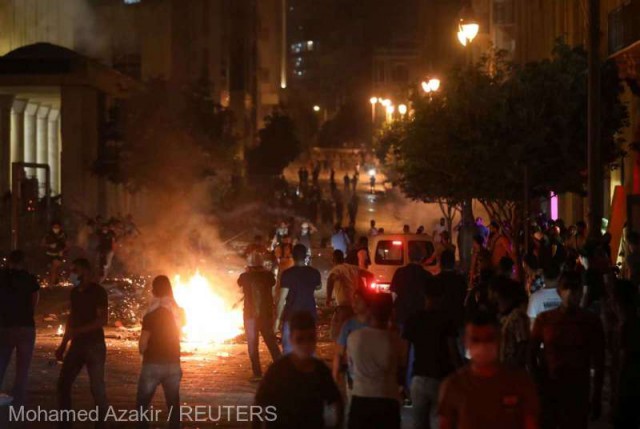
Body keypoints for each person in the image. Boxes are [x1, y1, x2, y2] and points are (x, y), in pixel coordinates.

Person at [529, 271, 604, 429]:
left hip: (578, 393)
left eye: (574, 288)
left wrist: (596, 396)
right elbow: (530, 355)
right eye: (566, 287)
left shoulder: (591, 321)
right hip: (551, 390)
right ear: (558, 291)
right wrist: (539, 383)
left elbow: (599, 362)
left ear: (580, 291)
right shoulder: (545, 320)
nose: (570, 293)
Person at [438, 312, 539, 429]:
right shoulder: (453, 386)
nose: (482, 345)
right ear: (466, 342)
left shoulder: (520, 383)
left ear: (500, 340)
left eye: (489, 339)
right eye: (476, 339)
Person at [255, 311, 343, 429]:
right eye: (300, 339)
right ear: (291, 339)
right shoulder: (277, 371)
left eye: (310, 338)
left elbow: (336, 401)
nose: (306, 344)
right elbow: (259, 404)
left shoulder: (320, 371)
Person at [56, 258, 108, 429]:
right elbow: (71, 319)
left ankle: (102, 424)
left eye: (75, 270)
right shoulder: (74, 292)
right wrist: (63, 344)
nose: (72, 274)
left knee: (97, 388)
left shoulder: (98, 292)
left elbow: (102, 320)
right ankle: (65, 424)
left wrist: (79, 331)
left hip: (94, 345)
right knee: (63, 384)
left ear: (85, 271)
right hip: (77, 346)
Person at [403, 278, 462, 429]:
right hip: (441, 379)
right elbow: (452, 351)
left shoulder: (414, 319)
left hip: (419, 377)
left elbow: (405, 352)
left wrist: (403, 378)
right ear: (442, 296)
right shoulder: (446, 319)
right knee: (440, 423)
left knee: (418, 423)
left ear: (424, 295)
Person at [347, 294, 403, 429]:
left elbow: (351, 367)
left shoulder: (355, 337)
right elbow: (401, 369)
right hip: (388, 398)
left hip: (361, 397)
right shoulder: (396, 340)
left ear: (370, 311)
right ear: (391, 313)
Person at [136, 276, 185, 429]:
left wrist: (143, 352)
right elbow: (182, 325)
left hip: (153, 364)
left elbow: (143, 343)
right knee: (173, 406)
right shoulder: (178, 312)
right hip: (173, 364)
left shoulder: (151, 313)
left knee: (142, 404)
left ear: (155, 290)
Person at [0, 250, 40, 406]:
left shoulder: (2, 277)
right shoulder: (29, 279)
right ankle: (18, 405)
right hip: (25, 327)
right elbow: (34, 302)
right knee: (22, 370)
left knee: (1, 363)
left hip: (5, 327)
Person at [238, 253, 282, 380]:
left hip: (250, 315)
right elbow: (273, 283)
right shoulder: (268, 276)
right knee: (271, 342)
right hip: (265, 315)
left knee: (252, 345)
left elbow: (239, 284)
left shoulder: (244, 277)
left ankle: (257, 373)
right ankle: (281, 368)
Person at [276, 244, 322, 354]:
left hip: (291, 317)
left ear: (293, 256)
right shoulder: (314, 272)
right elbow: (319, 286)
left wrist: (277, 321)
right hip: (309, 317)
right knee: (309, 352)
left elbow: (281, 299)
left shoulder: (287, 274)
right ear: (306, 256)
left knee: (288, 352)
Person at [611, 279, 640, 428]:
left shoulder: (627, 326)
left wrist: (617, 394)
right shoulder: (629, 323)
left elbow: (623, 362)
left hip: (629, 388)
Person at [332, 289, 370, 398]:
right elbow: (338, 352)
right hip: (354, 378)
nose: (354, 304)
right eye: (353, 301)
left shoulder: (374, 324)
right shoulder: (349, 325)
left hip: (372, 379)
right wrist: (335, 376)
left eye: (358, 301)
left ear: (367, 302)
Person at [494, 278, 529, 369]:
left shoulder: (517, 316)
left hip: (513, 368)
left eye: (499, 299)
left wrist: (515, 365)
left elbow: (523, 343)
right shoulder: (506, 317)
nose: (497, 304)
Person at [326, 250, 361, 340]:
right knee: (352, 333)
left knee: (337, 334)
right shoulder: (353, 268)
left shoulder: (337, 269)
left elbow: (331, 279)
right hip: (355, 306)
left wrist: (328, 298)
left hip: (343, 307)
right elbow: (369, 274)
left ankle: (341, 352)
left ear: (333, 259)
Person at [42, 221, 67, 287]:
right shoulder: (48, 235)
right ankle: (53, 282)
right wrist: (49, 245)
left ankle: (51, 285)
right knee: (52, 270)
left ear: (60, 227)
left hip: (58, 255)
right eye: (54, 227)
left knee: (54, 269)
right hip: (49, 255)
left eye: (57, 227)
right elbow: (43, 244)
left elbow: (66, 245)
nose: (56, 228)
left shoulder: (62, 235)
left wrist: (62, 251)